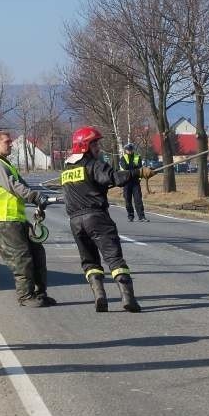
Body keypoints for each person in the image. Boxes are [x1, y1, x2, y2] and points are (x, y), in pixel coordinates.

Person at [61, 126, 154, 312]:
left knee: (90, 262)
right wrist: (138, 172)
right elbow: (115, 178)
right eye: (95, 144)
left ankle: (99, 296)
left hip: (75, 222)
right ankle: (128, 298)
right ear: (85, 146)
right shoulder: (94, 164)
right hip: (96, 217)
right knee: (114, 259)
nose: (99, 148)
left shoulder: (68, 169)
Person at [0, 130, 55, 308]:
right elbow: (13, 186)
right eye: (7, 142)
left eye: (10, 142)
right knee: (21, 258)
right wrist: (34, 197)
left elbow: (23, 185)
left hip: (16, 219)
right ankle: (25, 296)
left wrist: (39, 198)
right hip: (3, 220)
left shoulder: (7, 165)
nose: (11, 144)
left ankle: (40, 293)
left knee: (37, 252)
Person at [118, 142, 148, 222]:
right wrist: (134, 168)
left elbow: (139, 168)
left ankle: (141, 217)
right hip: (126, 182)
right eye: (128, 150)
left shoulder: (137, 157)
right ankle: (130, 216)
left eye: (130, 149)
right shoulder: (123, 158)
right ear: (125, 150)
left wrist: (133, 168)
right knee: (128, 200)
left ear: (133, 149)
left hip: (135, 182)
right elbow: (125, 168)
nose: (129, 151)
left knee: (138, 200)